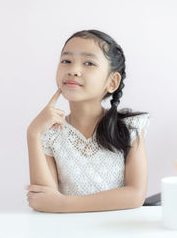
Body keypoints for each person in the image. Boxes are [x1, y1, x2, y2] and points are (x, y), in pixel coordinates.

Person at [26, 29, 150, 213]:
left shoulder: (129, 128)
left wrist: (64, 204)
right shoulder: (49, 134)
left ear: (112, 82)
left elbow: (135, 195)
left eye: (89, 63)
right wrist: (33, 134)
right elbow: (44, 201)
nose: (73, 70)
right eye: (66, 61)